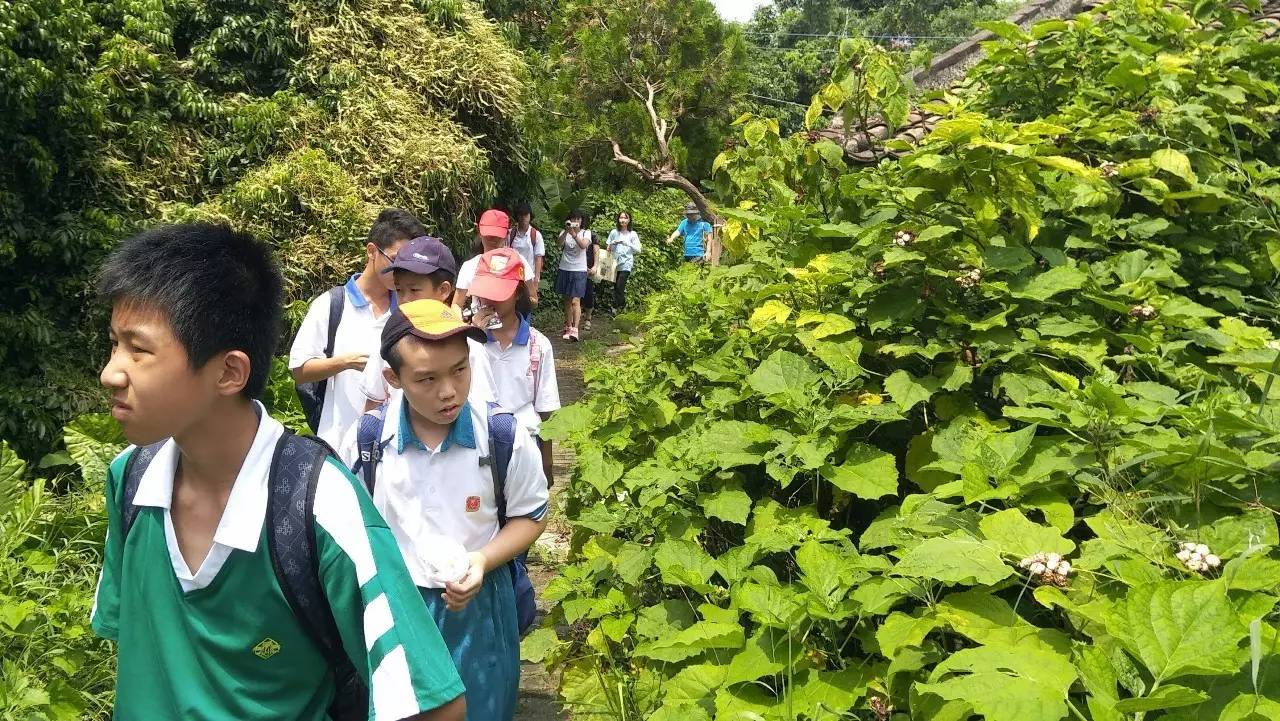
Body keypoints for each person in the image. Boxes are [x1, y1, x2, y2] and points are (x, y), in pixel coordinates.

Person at [93, 223, 465, 721]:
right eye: (115, 344)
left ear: (229, 372)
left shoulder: (319, 504)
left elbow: (436, 705)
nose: (111, 372)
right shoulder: (131, 481)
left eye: (139, 350)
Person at [340, 299, 549, 721]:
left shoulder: (501, 435)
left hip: (480, 608)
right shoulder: (366, 440)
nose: (449, 390)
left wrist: (481, 560)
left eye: (459, 369)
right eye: (427, 379)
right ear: (392, 378)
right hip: (397, 609)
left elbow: (531, 515)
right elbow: (348, 526)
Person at [290, 208, 423, 447]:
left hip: (394, 449)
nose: (401, 272)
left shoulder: (410, 309)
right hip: (339, 445)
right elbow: (299, 370)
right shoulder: (332, 305)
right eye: (395, 260)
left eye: (407, 264)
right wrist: (347, 362)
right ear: (372, 251)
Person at [357, 236, 498, 414]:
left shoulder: (470, 345)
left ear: (443, 290)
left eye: (414, 290)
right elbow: (373, 405)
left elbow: (486, 410)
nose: (405, 300)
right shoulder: (390, 341)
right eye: (399, 290)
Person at [467, 249, 561, 486]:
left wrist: (546, 462)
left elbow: (546, 408)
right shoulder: (466, 343)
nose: (490, 301)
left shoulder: (537, 345)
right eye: (485, 294)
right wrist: (471, 336)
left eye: (499, 294)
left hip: (525, 443)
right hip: (477, 446)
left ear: (518, 292)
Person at [454, 209, 530, 310]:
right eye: (489, 234)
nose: (493, 239)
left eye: (497, 235)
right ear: (479, 231)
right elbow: (456, 305)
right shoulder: (469, 266)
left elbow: (533, 298)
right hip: (479, 322)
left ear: (506, 234)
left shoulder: (518, 261)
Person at [554, 208, 592, 341]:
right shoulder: (565, 232)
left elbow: (583, 246)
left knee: (576, 300)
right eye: (573, 219)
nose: (576, 221)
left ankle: (575, 329)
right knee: (567, 300)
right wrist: (566, 231)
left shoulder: (586, 233)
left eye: (578, 219)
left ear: (582, 221)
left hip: (579, 269)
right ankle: (568, 326)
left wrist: (575, 234)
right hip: (565, 267)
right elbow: (558, 244)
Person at [505, 202, 544, 305]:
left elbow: (538, 257)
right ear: (517, 216)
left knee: (528, 302)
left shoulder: (535, 235)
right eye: (521, 215)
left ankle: (525, 321)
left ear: (530, 216)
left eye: (526, 215)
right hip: (512, 275)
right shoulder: (511, 234)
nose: (523, 218)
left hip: (528, 276)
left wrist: (537, 278)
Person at [606, 210, 640, 311]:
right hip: (615, 263)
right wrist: (613, 243)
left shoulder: (632, 234)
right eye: (621, 218)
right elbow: (608, 248)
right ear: (618, 219)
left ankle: (618, 307)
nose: (623, 220)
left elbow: (638, 249)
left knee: (620, 285)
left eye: (625, 218)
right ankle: (621, 307)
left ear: (629, 220)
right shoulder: (613, 232)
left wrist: (627, 243)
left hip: (626, 264)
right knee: (616, 286)